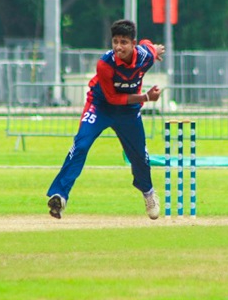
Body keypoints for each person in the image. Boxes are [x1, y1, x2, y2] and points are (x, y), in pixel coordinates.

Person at [46, 19, 165, 219]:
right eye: (115, 41)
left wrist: (155, 48)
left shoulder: (145, 57)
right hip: (100, 105)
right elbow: (112, 98)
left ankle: (148, 192)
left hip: (128, 111)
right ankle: (60, 195)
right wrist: (146, 97)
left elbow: (149, 47)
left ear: (133, 44)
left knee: (139, 156)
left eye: (124, 42)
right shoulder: (105, 64)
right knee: (81, 145)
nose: (119, 47)